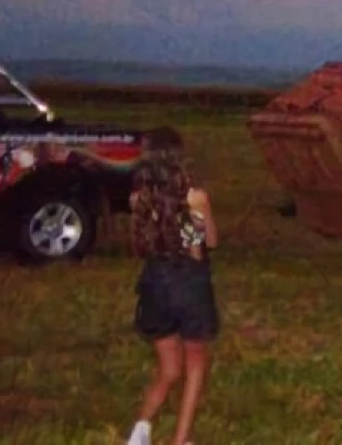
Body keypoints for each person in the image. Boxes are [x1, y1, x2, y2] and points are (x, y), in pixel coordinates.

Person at [126, 127, 220, 445]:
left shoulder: (138, 198)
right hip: (189, 287)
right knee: (194, 365)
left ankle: (140, 430)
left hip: (154, 285)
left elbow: (143, 243)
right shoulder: (194, 198)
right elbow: (202, 245)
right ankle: (180, 440)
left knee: (169, 369)